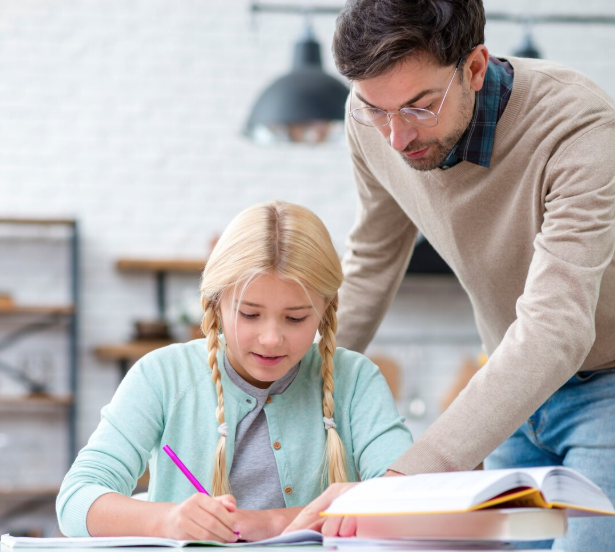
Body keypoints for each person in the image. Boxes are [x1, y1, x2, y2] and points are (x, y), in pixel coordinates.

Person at [285, 1, 615, 549]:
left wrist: (401, 483)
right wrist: (292, 383)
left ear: (476, 68)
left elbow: (558, 329)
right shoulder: (369, 120)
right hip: (512, 401)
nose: (395, 137)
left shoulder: (578, 128)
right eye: (376, 109)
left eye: (418, 107)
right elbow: (372, 258)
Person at [57, 200, 412, 542]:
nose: (271, 339)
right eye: (249, 314)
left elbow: (409, 501)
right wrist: (167, 520)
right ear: (217, 302)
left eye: (295, 318)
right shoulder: (162, 376)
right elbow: (75, 500)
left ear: (325, 308)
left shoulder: (357, 381)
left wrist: (269, 521)